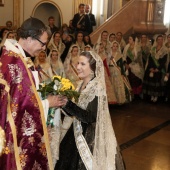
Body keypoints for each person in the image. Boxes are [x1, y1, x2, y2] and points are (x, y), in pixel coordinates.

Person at [0, 17, 67, 169]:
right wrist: (48, 103)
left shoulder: (16, 58)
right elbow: (21, 107)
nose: (44, 48)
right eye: (43, 43)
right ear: (29, 38)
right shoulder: (15, 64)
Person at [55, 51, 125, 170]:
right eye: (78, 63)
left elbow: (90, 117)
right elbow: (75, 111)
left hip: (89, 136)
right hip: (75, 131)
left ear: (92, 67)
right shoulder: (80, 84)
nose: (78, 67)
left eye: (83, 64)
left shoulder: (97, 87)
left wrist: (68, 104)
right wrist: (62, 103)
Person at [142, 34, 169, 102]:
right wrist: (151, 68)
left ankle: (156, 96)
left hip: (159, 69)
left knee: (157, 82)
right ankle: (151, 95)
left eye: (161, 39)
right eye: (158, 39)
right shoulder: (153, 48)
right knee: (151, 81)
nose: (160, 41)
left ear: (163, 40)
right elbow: (150, 59)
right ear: (156, 40)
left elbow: (164, 61)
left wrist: (158, 68)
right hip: (152, 68)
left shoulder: (165, 50)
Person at [123, 34, 144, 99]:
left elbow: (138, 59)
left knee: (136, 80)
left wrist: (130, 65)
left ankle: (137, 94)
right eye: (129, 39)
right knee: (129, 80)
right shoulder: (126, 47)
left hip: (135, 66)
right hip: (128, 66)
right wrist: (125, 64)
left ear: (134, 40)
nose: (129, 40)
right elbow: (124, 56)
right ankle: (130, 94)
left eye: (130, 39)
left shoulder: (137, 48)